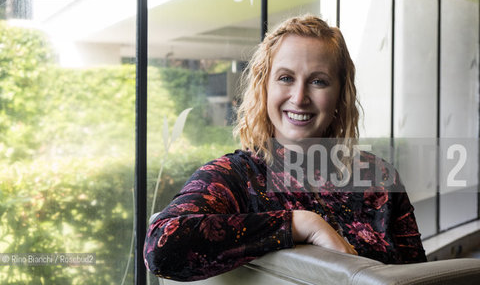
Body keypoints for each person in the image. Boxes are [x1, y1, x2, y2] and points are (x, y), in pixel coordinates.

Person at [143, 15, 427, 282]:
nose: (300, 97)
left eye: (319, 81)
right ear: (264, 88)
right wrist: (299, 224)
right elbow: (162, 247)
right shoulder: (237, 177)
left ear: (341, 94)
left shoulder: (379, 177)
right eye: (286, 78)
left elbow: (420, 277)